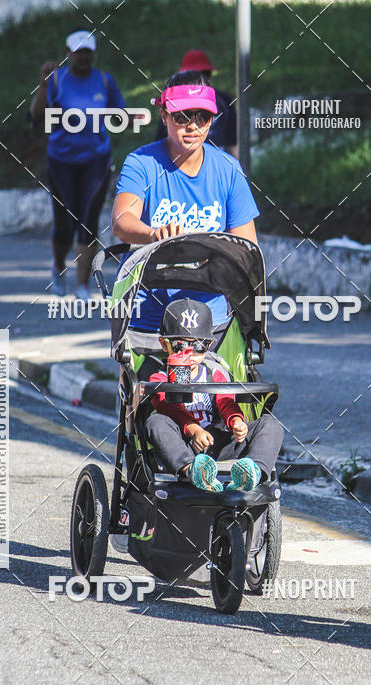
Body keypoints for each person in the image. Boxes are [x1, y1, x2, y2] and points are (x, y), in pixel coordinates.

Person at [111, 70, 258, 332]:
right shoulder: (141, 164)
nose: (193, 126)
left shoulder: (229, 170)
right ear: (164, 115)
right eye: (182, 116)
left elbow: (247, 250)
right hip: (146, 304)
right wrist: (154, 234)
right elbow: (122, 222)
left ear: (212, 120)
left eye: (203, 117)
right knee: (135, 371)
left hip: (208, 311)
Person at [145, 299, 283, 492]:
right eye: (179, 345)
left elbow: (225, 401)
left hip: (218, 443)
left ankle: (252, 471)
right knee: (156, 423)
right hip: (184, 446)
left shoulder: (214, 373)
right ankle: (192, 470)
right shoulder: (159, 376)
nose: (189, 353)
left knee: (270, 425)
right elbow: (165, 404)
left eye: (198, 345)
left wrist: (235, 420)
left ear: (209, 345)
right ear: (164, 344)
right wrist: (193, 429)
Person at [30, 30, 126, 300]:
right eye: (78, 51)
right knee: (64, 224)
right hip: (61, 161)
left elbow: (121, 114)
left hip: (95, 160)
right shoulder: (57, 80)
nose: (83, 57)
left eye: (88, 52)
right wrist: (42, 84)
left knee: (88, 220)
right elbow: (35, 117)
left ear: (93, 54)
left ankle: (82, 284)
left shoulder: (105, 81)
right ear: (69, 53)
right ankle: (59, 266)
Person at [154, 50, 238, 157]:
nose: (193, 126)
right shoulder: (173, 101)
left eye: (205, 116)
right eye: (182, 117)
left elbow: (233, 142)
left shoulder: (224, 100)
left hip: (216, 159)